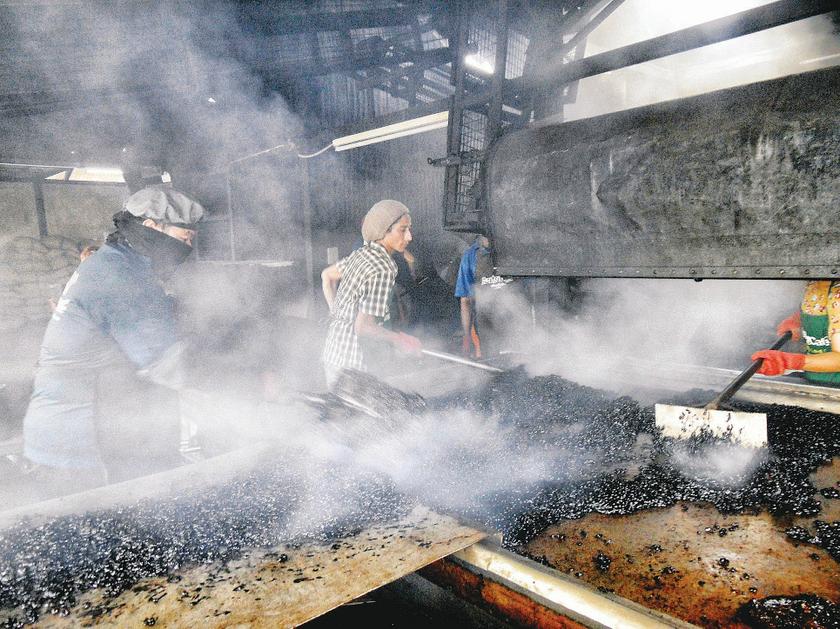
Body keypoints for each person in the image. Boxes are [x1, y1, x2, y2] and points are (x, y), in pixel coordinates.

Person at [22, 185, 204, 495]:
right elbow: (166, 365)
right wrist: (255, 388)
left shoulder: (112, 262)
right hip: (82, 441)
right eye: (184, 238)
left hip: (65, 430)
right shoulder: (122, 276)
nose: (187, 247)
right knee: (104, 532)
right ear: (151, 227)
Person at [321, 200, 423, 387]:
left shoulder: (361, 255)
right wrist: (400, 339)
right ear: (384, 231)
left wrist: (336, 313)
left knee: (341, 414)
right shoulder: (383, 267)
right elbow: (364, 327)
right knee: (366, 416)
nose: (409, 237)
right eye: (403, 230)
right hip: (354, 364)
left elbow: (326, 276)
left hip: (333, 355)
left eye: (409, 229)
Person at [752, 281, 840, 385]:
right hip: (813, 378)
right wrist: (797, 319)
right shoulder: (813, 284)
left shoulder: (837, 294)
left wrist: (789, 361)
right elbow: (820, 307)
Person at [454, 235, 490, 357]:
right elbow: (465, 300)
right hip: (485, 331)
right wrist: (467, 335)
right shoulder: (470, 256)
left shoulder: (469, 255)